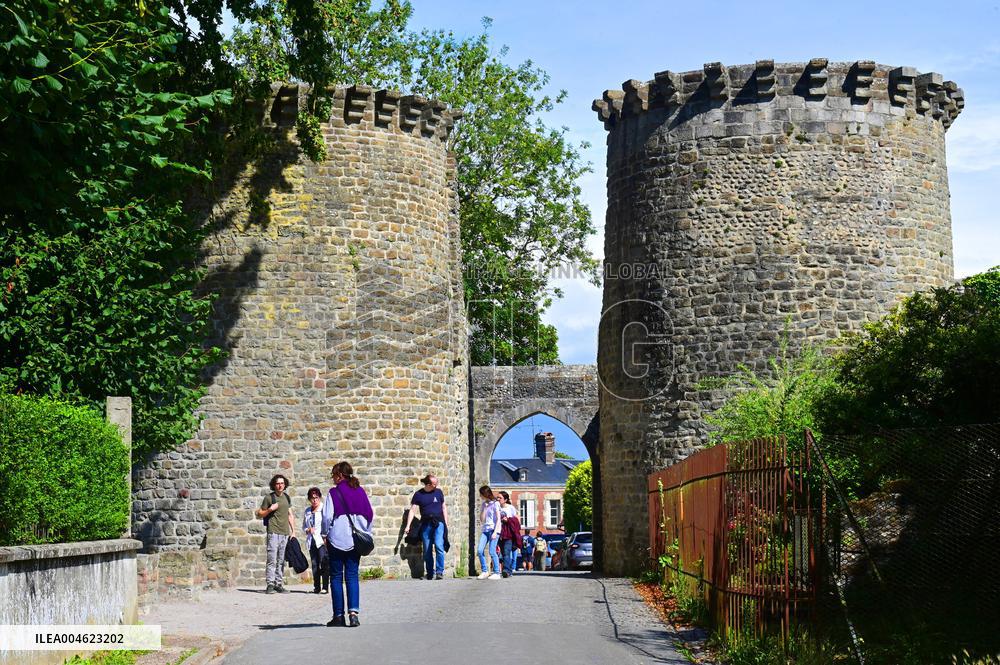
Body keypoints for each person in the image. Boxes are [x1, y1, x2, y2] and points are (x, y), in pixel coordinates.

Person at [321, 461, 373, 627]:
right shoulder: (360, 491)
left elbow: (327, 516)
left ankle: (338, 615)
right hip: (354, 540)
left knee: (336, 577)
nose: (333, 479)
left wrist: (324, 533)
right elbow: (369, 514)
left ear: (340, 475)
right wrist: (364, 531)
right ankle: (353, 614)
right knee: (352, 576)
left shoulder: (333, 493)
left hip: (337, 538)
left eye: (334, 476)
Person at [255, 474, 295, 594]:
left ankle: (279, 583)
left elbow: (290, 515)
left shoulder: (287, 498)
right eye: (278, 483)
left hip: (284, 533)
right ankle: (270, 584)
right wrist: (270, 509)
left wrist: (293, 531)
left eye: (282, 483)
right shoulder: (269, 498)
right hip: (273, 532)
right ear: (274, 485)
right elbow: (259, 514)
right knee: (272, 559)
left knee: (281, 560)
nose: (280, 485)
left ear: (285, 484)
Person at [404, 474, 449, 580]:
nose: (437, 485)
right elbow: (412, 510)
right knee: (427, 549)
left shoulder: (438, 492)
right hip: (425, 523)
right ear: (428, 484)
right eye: (435, 483)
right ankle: (429, 573)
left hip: (438, 523)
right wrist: (408, 526)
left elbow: (444, 507)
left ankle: (439, 571)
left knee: (438, 545)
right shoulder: (418, 494)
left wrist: (446, 522)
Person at [302, 487, 329, 594]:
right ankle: (316, 587)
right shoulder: (307, 511)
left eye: (316, 497)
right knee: (314, 564)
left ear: (319, 497)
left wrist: (326, 536)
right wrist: (308, 529)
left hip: (321, 540)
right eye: (312, 498)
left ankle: (325, 587)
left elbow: (327, 523)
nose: (314, 500)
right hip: (311, 540)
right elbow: (304, 526)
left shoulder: (323, 508)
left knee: (324, 563)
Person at [476, 485, 502, 580]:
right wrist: (485, 509)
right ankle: (485, 571)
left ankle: (496, 572)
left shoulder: (496, 504)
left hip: (494, 530)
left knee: (492, 551)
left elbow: (499, 519)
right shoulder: (484, 504)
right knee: (479, 550)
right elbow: (482, 520)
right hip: (485, 530)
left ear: (485, 494)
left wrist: (495, 532)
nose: (480, 496)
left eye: (481, 494)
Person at [497, 491, 522, 577]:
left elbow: (517, 521)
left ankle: (506, 571)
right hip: (499, 533)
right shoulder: (496, 507)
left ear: (505, 499)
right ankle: (509, 570)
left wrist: (508, 520)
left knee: (507, 552)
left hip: (508, 535)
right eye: (498, 497)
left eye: (500, 498)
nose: (498, 499)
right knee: (503, 553)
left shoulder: (510, 508)